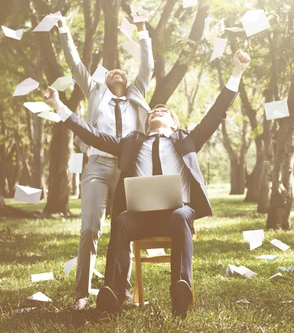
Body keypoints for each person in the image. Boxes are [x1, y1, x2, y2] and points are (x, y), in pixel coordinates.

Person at [43, 50, 251, 318]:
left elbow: (216, 114)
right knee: (120, 222)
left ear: (174, 124)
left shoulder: (186, 141)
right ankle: (114, 292)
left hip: (177, 214)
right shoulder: (131, 143)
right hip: (140, 217)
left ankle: (180, 288)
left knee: (182, 214)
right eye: (154, 110)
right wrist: (59, 106)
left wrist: (236, 72)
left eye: (163, 111)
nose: (157, 111)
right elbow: (91, 135)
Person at [56, 15, 153, 310]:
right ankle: (82, 295)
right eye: (111, 71)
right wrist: (62, 28)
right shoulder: (96, 91)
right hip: (98, 165)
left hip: (130, 170)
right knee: (90, 229)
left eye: (122, 70)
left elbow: (147, 66)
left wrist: (142, 29)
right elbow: (75, 65)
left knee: (127, 229)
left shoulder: (138, 93)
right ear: (105, 80)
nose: (117, 72)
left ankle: (122, 290)